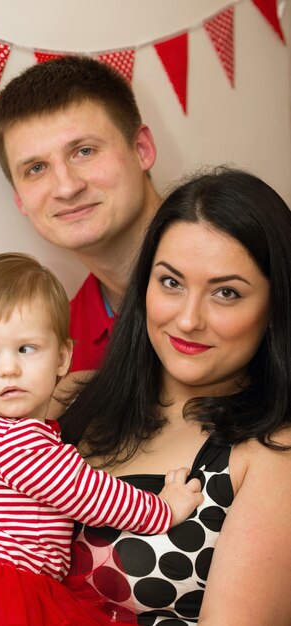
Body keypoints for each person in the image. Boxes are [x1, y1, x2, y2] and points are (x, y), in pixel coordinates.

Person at [0, 253, 203, 626]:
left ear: (63, 357)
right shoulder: (20, 444)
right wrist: (165, 508)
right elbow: (93, 495)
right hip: (3, 596)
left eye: (26, 349)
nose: (8, 367)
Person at [59, 168, 291, 625]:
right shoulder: (69, 400)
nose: (187, 320)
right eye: (171, 282)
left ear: (274, 309)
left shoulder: (273, 457)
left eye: (226, 293)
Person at [0, 55, 161, 374]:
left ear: (142, 149)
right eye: (36, 168)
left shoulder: (250, 258)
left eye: (84, 151)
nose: (66, 188)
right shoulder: (58, 351)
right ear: (20, 199)